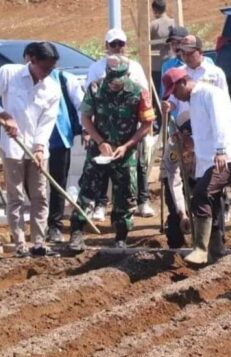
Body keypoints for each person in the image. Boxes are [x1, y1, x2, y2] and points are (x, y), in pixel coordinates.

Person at [0, 41, 61, 258]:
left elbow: (47, 121)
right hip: (12, 148)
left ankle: (39, 243)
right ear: (32, 61)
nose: (46, 73)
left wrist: (40, 148)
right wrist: (4, 116)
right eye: (44, 68)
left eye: (51, 69)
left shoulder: (52, 88)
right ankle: (20, 244)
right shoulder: (9, 74)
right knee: (15, 196)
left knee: (40, 195)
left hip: (37, 149)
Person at [162, 68, 231, 265]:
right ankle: (215, 254)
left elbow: (220, 123)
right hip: (209, 161)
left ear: (183, 82)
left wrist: (220, 150)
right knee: (213, 203)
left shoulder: (209, 93)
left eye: (175, 91)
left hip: (224, 158)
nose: (175, 97)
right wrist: (190, 142)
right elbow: (203, 133)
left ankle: (201, 249)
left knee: (201, 195)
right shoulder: (193, 100)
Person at [68, 55, 155, 251]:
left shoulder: (139, 92)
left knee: (125, 194)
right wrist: (99, 141)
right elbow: (85, 117)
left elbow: (147, 123)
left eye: (118, 80)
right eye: (111, 79)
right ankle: (77, 232)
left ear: (127, 75)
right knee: (87, 190)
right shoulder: (96, 88)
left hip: (125, 151)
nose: (114, 84)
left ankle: (121, 236)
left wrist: (127, 145)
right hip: (99, 150)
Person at [86, 28, 154, 220]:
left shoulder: (135, 67)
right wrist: (89, 130)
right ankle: (100, 204)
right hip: (104, 128)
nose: (117, 47)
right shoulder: (96, 69)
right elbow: (88, 101)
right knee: (103, 167)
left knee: (139, 165)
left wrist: (145, 126)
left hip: (130, 128)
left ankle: (142, 201)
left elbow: (144, 95)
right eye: (113, 44)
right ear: (106, 46)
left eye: (120, 44)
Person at [39, 56, 85, 244]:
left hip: (59, 137)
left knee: (58, 183)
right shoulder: (29, 80)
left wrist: (85, 129)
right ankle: (39, 226)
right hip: (34, 139)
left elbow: (81, 105)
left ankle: (55, 226)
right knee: (37, 186)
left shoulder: (66, 79)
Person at [160, 111, 196, 249]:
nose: (189, 143)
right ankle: (176, 246)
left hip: (195, 174)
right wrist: (182, 214)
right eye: (185, 137)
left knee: (205, 202)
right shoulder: (173, 147)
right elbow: (174, 181)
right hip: (172, 175)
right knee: (174, 208)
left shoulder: (205, 142)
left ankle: (212, 240)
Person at [159, 25, 190, 103]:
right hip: (177, 113)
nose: (175, 46)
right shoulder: (167, 66)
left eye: (178, 43)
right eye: (172, 44)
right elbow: (165, 92)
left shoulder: (203, 62)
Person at [150, 0, 175, 90]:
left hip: (157, 67)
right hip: (172, 64)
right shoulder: (174, 23)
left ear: (154, 10)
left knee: (157, 96)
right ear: (165, 8)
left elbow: (145, 44)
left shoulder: (153, 25)